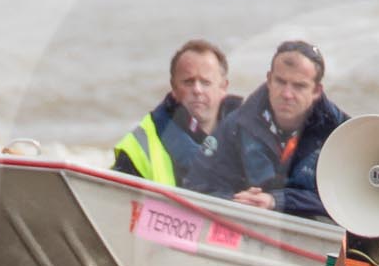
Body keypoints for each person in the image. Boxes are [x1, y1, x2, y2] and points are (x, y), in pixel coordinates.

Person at [204, 40, 348, 217]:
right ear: (269, 79)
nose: (287, 94)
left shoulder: (344, 134)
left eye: (299, 86)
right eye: (280, 82)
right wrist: (239, 201)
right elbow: (201, 184)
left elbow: (351, 201)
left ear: (316, 91)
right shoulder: (236, 125)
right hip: (246, 223)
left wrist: (276, 201)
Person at [111, 39, 243, 191]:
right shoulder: (142, 142)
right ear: (173, 88)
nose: (197, 90)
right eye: (188, 82)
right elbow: (114, 199)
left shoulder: (252, 136)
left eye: (205, 82)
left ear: (223, 87)